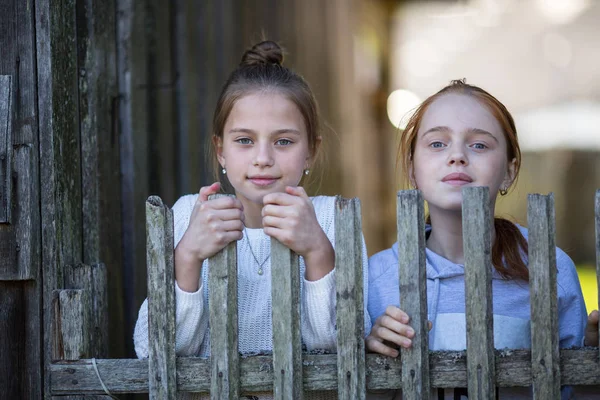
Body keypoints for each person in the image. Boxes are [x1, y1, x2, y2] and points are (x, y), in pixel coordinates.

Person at [133, 40, 370, 400]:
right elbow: (153, 353)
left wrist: (318, 252)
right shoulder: (188, 215)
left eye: (283, 142)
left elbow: (345, 346)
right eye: (244, 140)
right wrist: (187, 258)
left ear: (311, 151)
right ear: (220, 150)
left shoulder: (333, 219)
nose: (262, 158)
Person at [366, 79, 589, 399]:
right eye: (437, 144)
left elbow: (574, 392)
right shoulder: (378, 279)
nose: (457, 155)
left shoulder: (550, 270)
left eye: (479, 145)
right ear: (413, 168)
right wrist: (374, 358)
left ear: (510, 172)